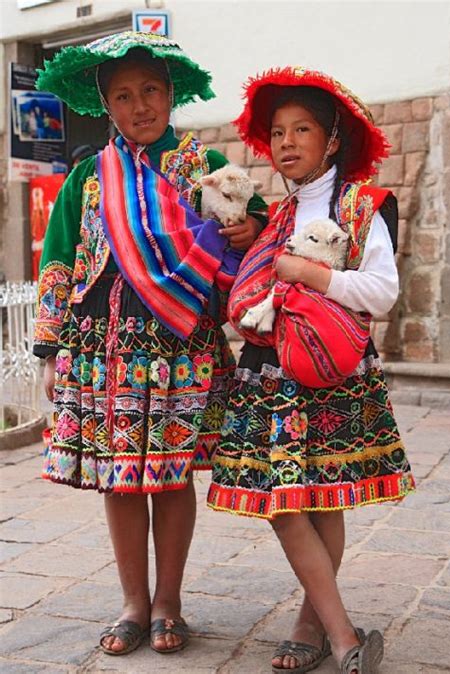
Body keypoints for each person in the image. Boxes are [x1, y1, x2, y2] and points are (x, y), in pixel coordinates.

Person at [33, 31, 267, 657]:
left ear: (171, 95)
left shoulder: (204, 167)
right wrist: (52, 350)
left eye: (152, 91)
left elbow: (260, 228)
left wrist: (247, 229)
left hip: (179, 346)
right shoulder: (86, 176)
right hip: (100, 347)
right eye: (124, 96)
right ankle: (133, 603)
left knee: (167, 477)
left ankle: (169, 602)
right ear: (105, 106)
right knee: (119, 477)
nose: (140, 106)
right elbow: (59, 261)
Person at [207, 66, 415, 674]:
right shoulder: (272, 216)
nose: (288, 142)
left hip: (331, 373)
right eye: (278, 132)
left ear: (331, 141)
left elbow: (381, 291)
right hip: (269, 371)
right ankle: (341, 632)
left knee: (321, 500)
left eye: (303, 130)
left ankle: (318, 627)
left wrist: (312, 275)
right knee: (280, 501)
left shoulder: (362, 206)